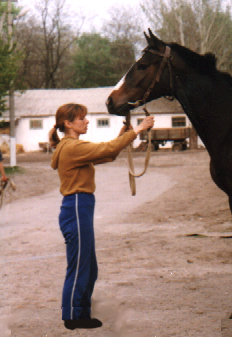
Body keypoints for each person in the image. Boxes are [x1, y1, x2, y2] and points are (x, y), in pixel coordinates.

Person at [49, 103, 154, 330]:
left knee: (89, 266)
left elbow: (108, 154)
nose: (86, 122)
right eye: (81, 119)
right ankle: (72, 316)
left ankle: (81, 313)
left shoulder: (74, 146)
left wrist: (123, 134)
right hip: (77, 205)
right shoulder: (71, 147)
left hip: (82, 205)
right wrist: (137, 130)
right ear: (68, 123)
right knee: (79, 265)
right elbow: (106, 150)